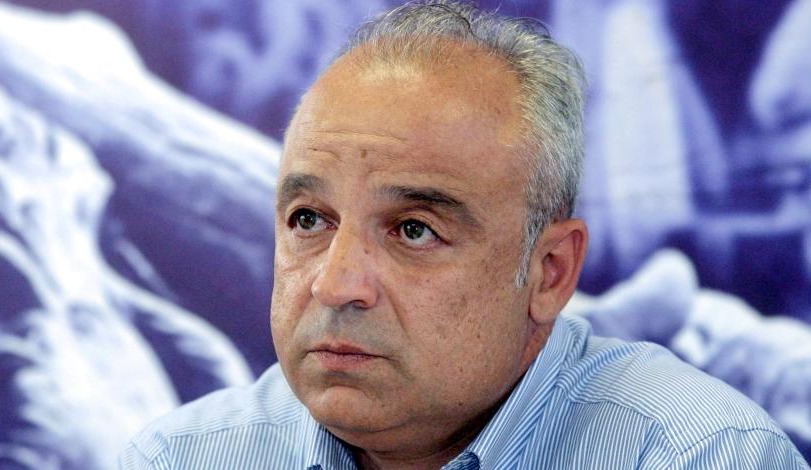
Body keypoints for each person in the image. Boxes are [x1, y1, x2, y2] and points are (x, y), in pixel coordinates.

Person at [119, 1, 809, 468]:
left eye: (414, 230)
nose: (334, 284)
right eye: (309, 220)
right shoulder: (184, 457)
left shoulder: (699, 455)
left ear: (550, 272)